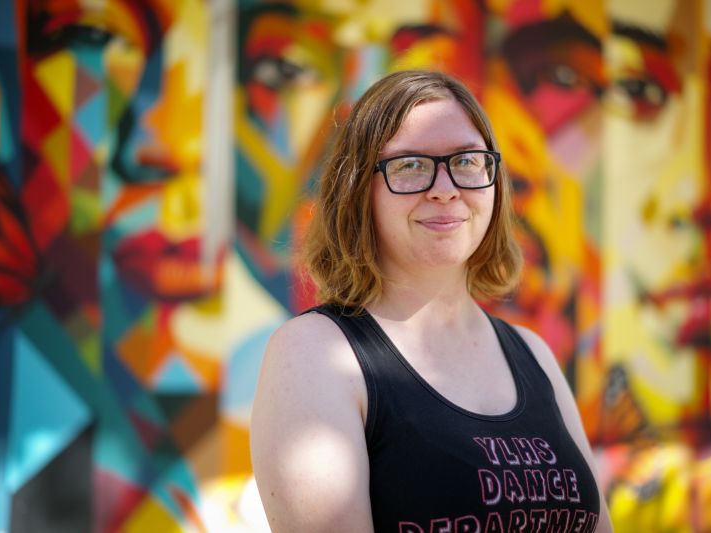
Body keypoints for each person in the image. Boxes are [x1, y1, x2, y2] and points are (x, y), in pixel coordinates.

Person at [251, 70, 613, 532]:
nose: (445, 188)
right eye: (410, 165)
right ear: (360, 191)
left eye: (467, 160)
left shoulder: (533, 354)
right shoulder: (314, 354)